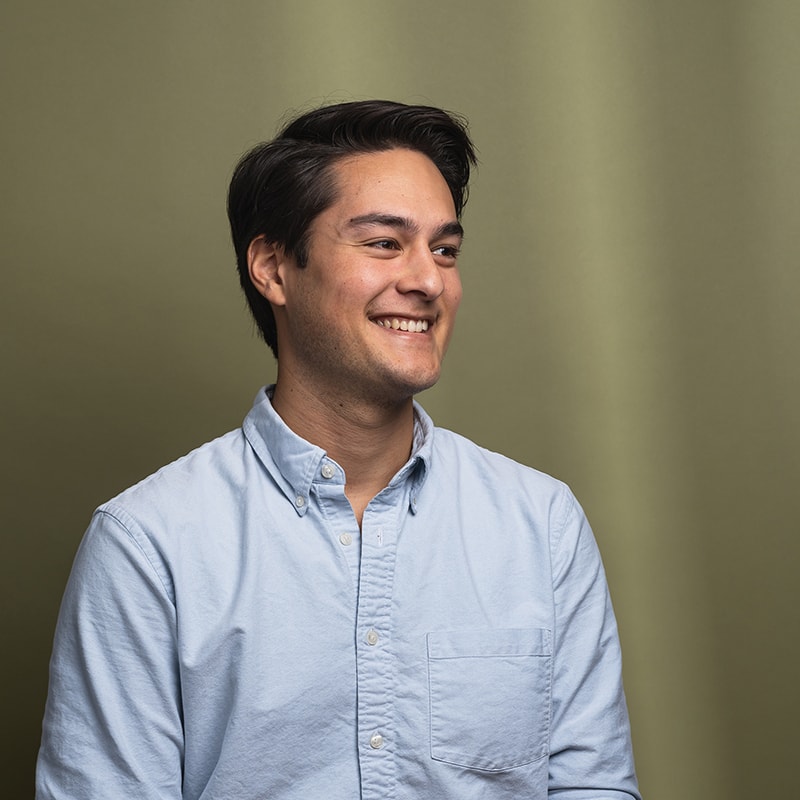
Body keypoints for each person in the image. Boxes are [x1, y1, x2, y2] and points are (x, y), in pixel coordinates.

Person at [36, 100, 641, 800]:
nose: (428, 280)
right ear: (272, 267)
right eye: (385, 243)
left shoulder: (541, 524)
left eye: (444, 249)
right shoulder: (149, 544)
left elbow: (593, 786)